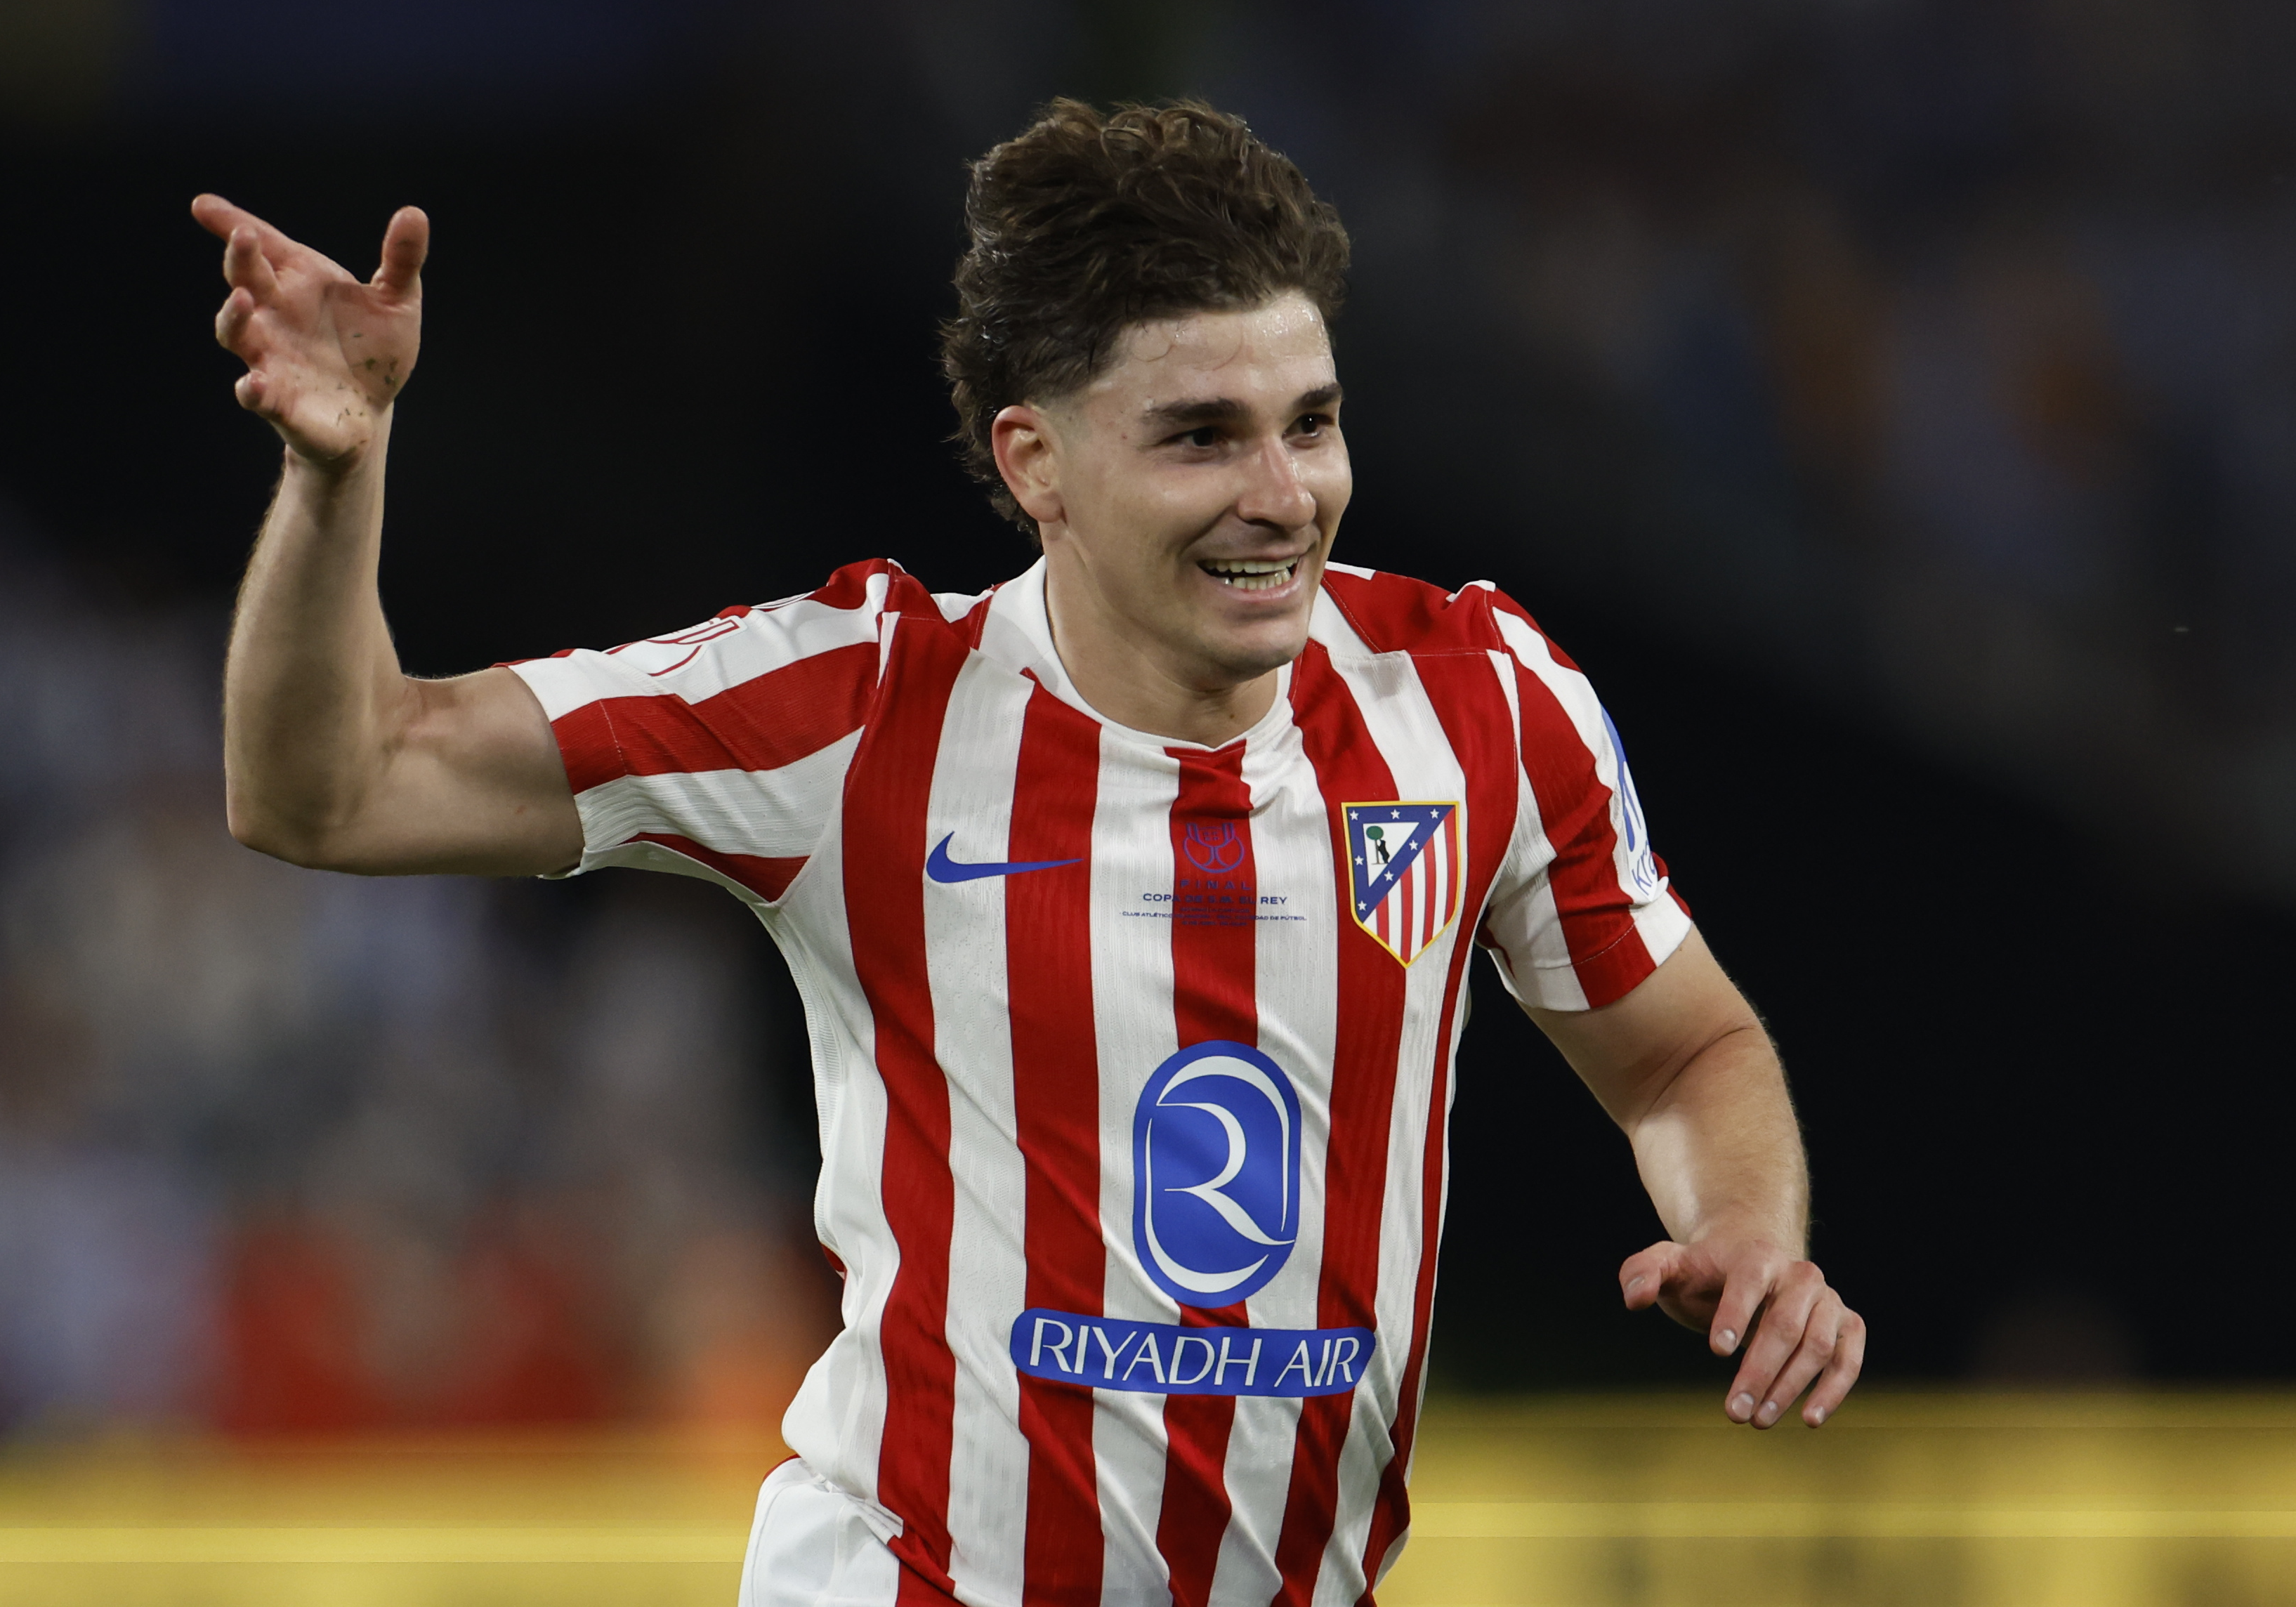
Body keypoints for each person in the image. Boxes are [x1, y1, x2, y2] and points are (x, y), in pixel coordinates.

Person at [196, 99, 1861, 1607]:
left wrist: (1747, 1227)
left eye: (1311, 422)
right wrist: (336, 471)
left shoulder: (1479, 699)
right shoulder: (856, 709)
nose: (1282, 493)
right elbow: (331, 790)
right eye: (1200, 435)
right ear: (1033, 461)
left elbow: (1683, 1051)